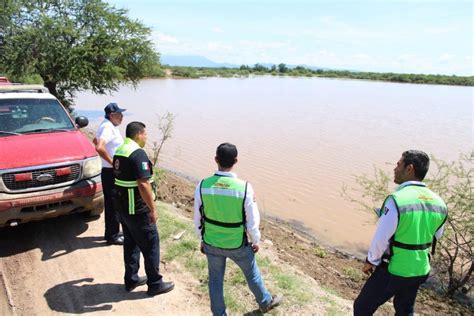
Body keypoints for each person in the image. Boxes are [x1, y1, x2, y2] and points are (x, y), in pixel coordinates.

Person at [353, 150, 448, 315]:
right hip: (420, 269)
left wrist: (371, 260)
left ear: (409, 168)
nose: (394, 169)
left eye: (398, 164)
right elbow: (436, 235)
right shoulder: (440, 203)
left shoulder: (397, 199)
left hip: (395, 269)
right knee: (405, 310)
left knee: (363, 307)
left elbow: (381, 238)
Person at [194, 143, 282, 315]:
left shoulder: (203, 185)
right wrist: (255, 241)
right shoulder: (245, 188)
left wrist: (201, 239)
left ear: (215, 160)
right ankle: (265, 302)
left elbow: (197, 216)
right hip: (237, 244)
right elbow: (252, 221)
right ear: (236, 161)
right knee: (252, 274)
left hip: (211, 242)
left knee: (215, 281)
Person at [113, 121, 174, 296]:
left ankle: (131, 279)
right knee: (151, 244)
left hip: (123, 208)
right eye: (145, 134)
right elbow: (143, 184)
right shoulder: (137, 153)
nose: (146, 137)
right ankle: (155, 283)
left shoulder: (120, 150)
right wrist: (153, 209)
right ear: (139, 134)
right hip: (138, 209)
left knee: (131, 244)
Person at [94, 102, 125, 245]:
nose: (122, 117)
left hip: (109, 171)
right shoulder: (107, 127)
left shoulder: (107, 125)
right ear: (112, 115)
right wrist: (113, 163)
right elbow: (99, 147)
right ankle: (112, 236)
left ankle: (113, 231)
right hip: (110, 172)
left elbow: (95, 141)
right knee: (113, 204)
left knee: (114, 202)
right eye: (119, 114)